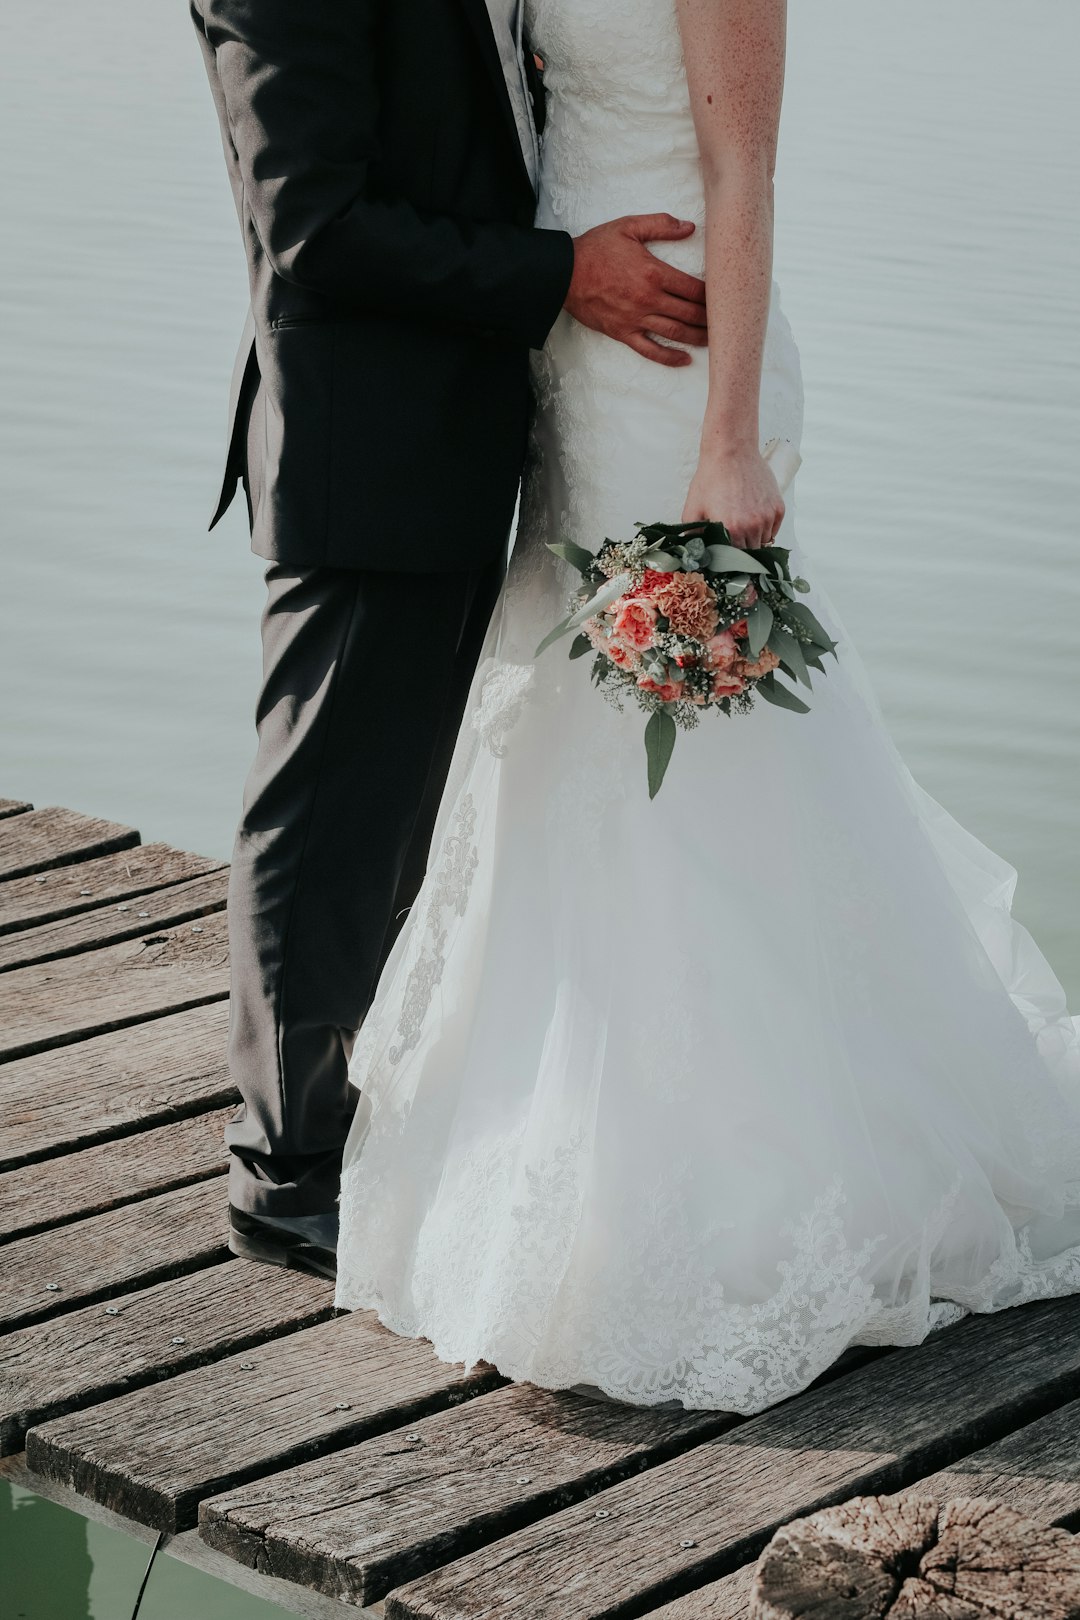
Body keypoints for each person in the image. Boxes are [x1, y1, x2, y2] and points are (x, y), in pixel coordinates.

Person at [334, 0, 1080, 1413]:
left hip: (683, 367)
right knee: (565, 730)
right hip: (567, 346)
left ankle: (737, 1173)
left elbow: (747, 170)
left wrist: (731, 441)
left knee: (698, 761)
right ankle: (563, 1157)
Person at [191, 0, 712, 1277]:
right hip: (367, 440)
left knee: (393, 814)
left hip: (464, 433)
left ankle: (349, 1112)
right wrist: (560, 276)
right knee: (323, 819)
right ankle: (286, 1168)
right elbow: (315, 223)